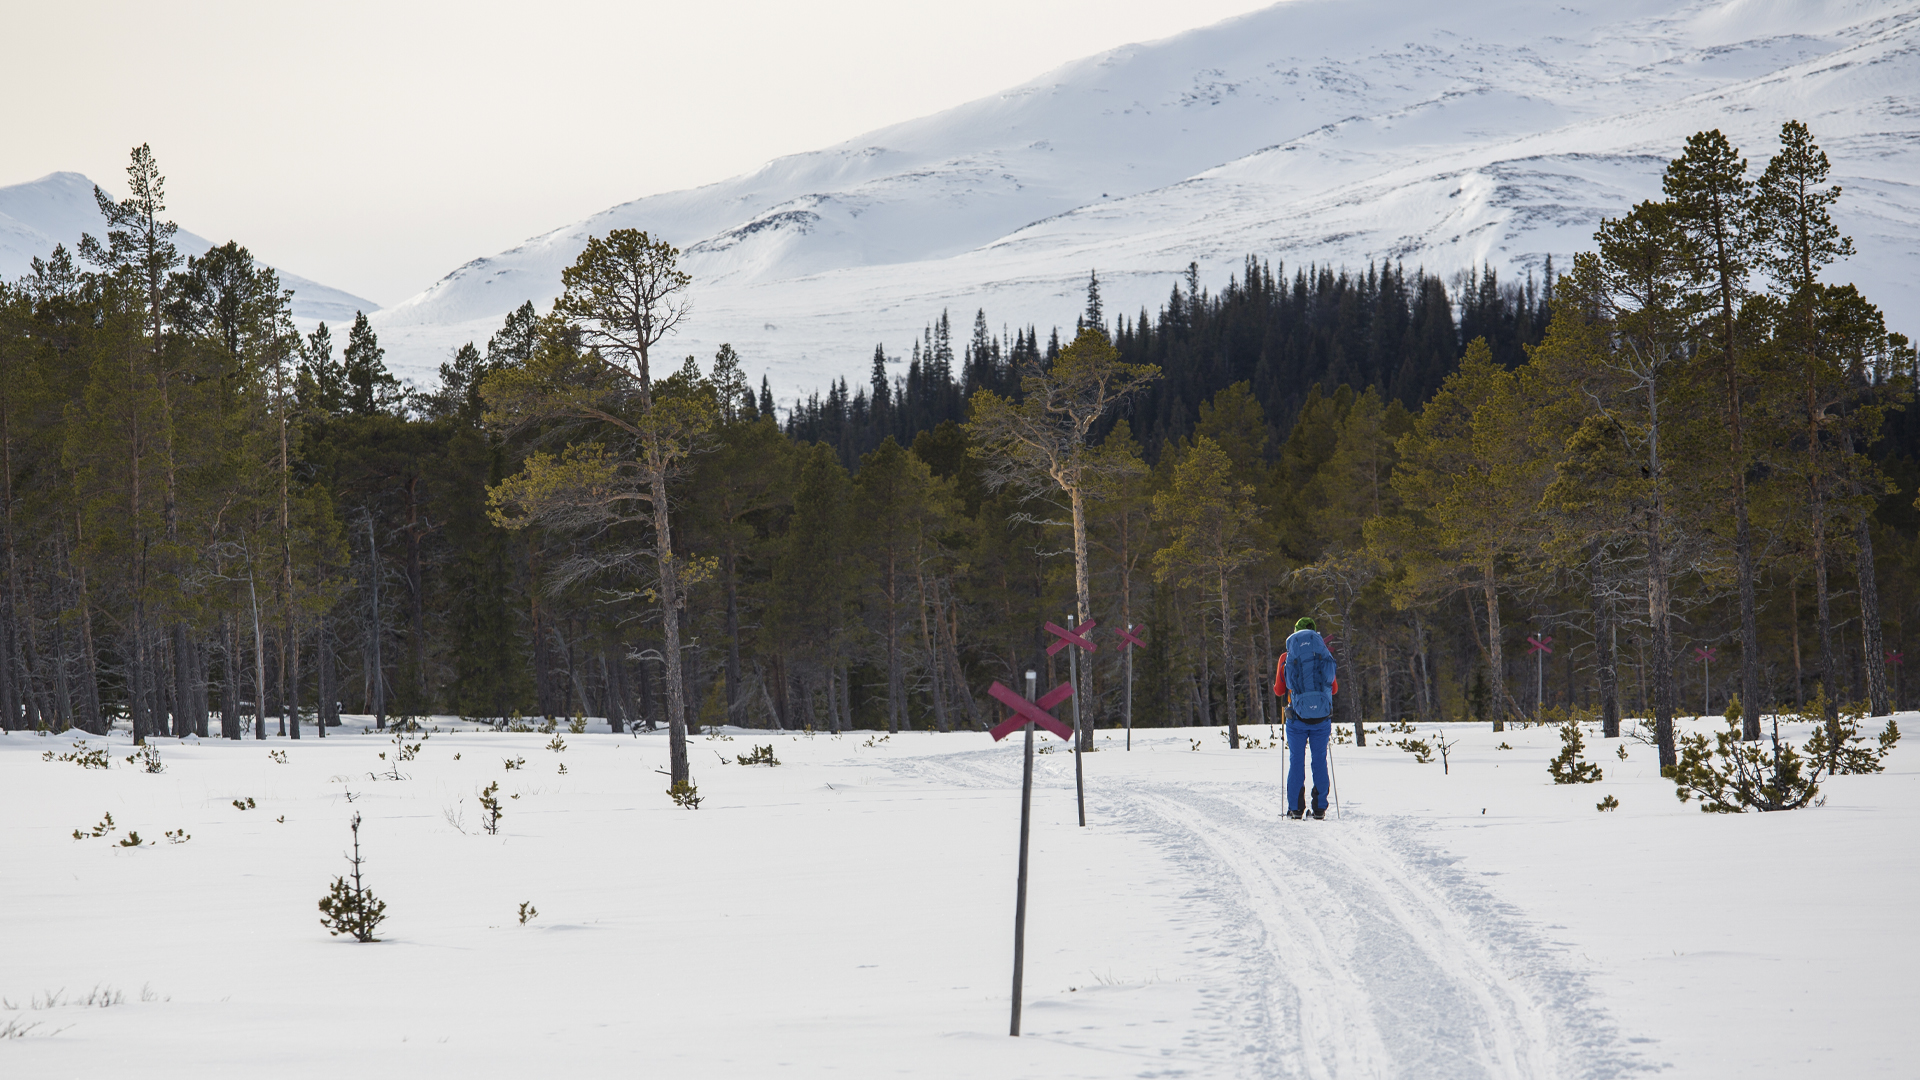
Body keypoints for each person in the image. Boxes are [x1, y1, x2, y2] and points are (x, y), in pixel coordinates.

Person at [1274, 617, 1338, 819]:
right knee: (1319, 761)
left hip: (1296, 719)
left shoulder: (1286, 656)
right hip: (1321, 719)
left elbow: (1278, 691)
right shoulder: (1323, 655)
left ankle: (1295, 809)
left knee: (1296, 761)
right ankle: (1319, 809)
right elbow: (1333, 689)